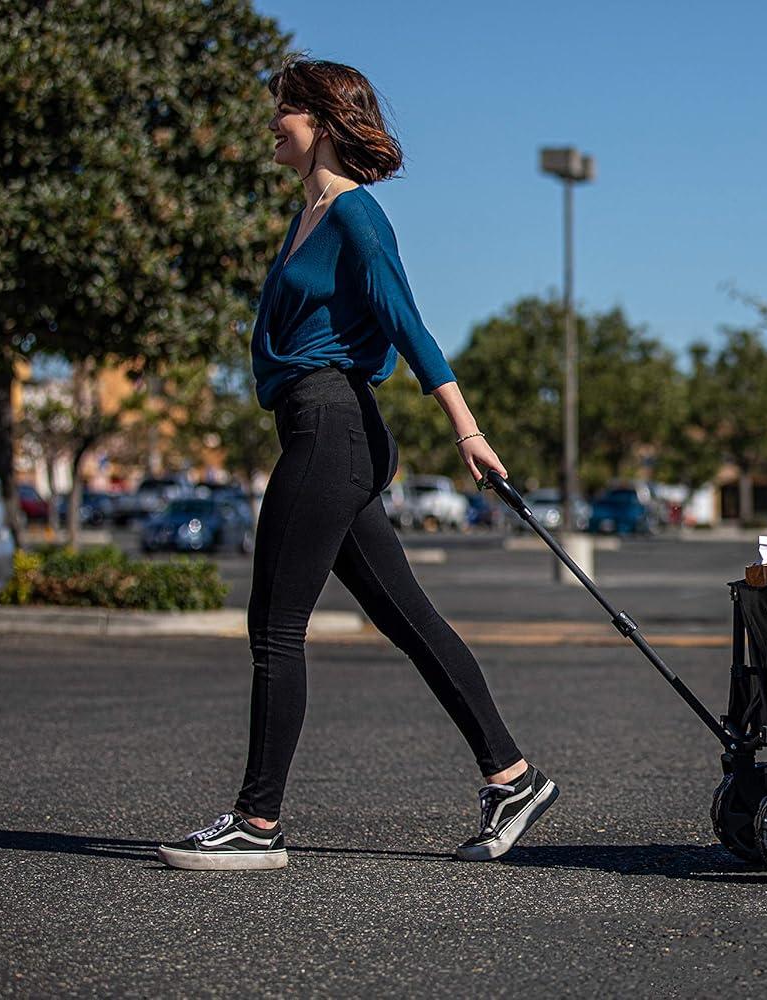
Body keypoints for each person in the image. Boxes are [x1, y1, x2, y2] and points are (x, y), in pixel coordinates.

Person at [157, 56, 556, 871]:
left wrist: (467, 430)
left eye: (285, 112)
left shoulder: (355, 216)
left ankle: (257, 825)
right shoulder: (307, 216)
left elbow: (406, 320)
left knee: (274, 628)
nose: (273, 124)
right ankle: (512, 776)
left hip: (332, 430)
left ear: (322, 123)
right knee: (409, 621)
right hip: (323, 429)